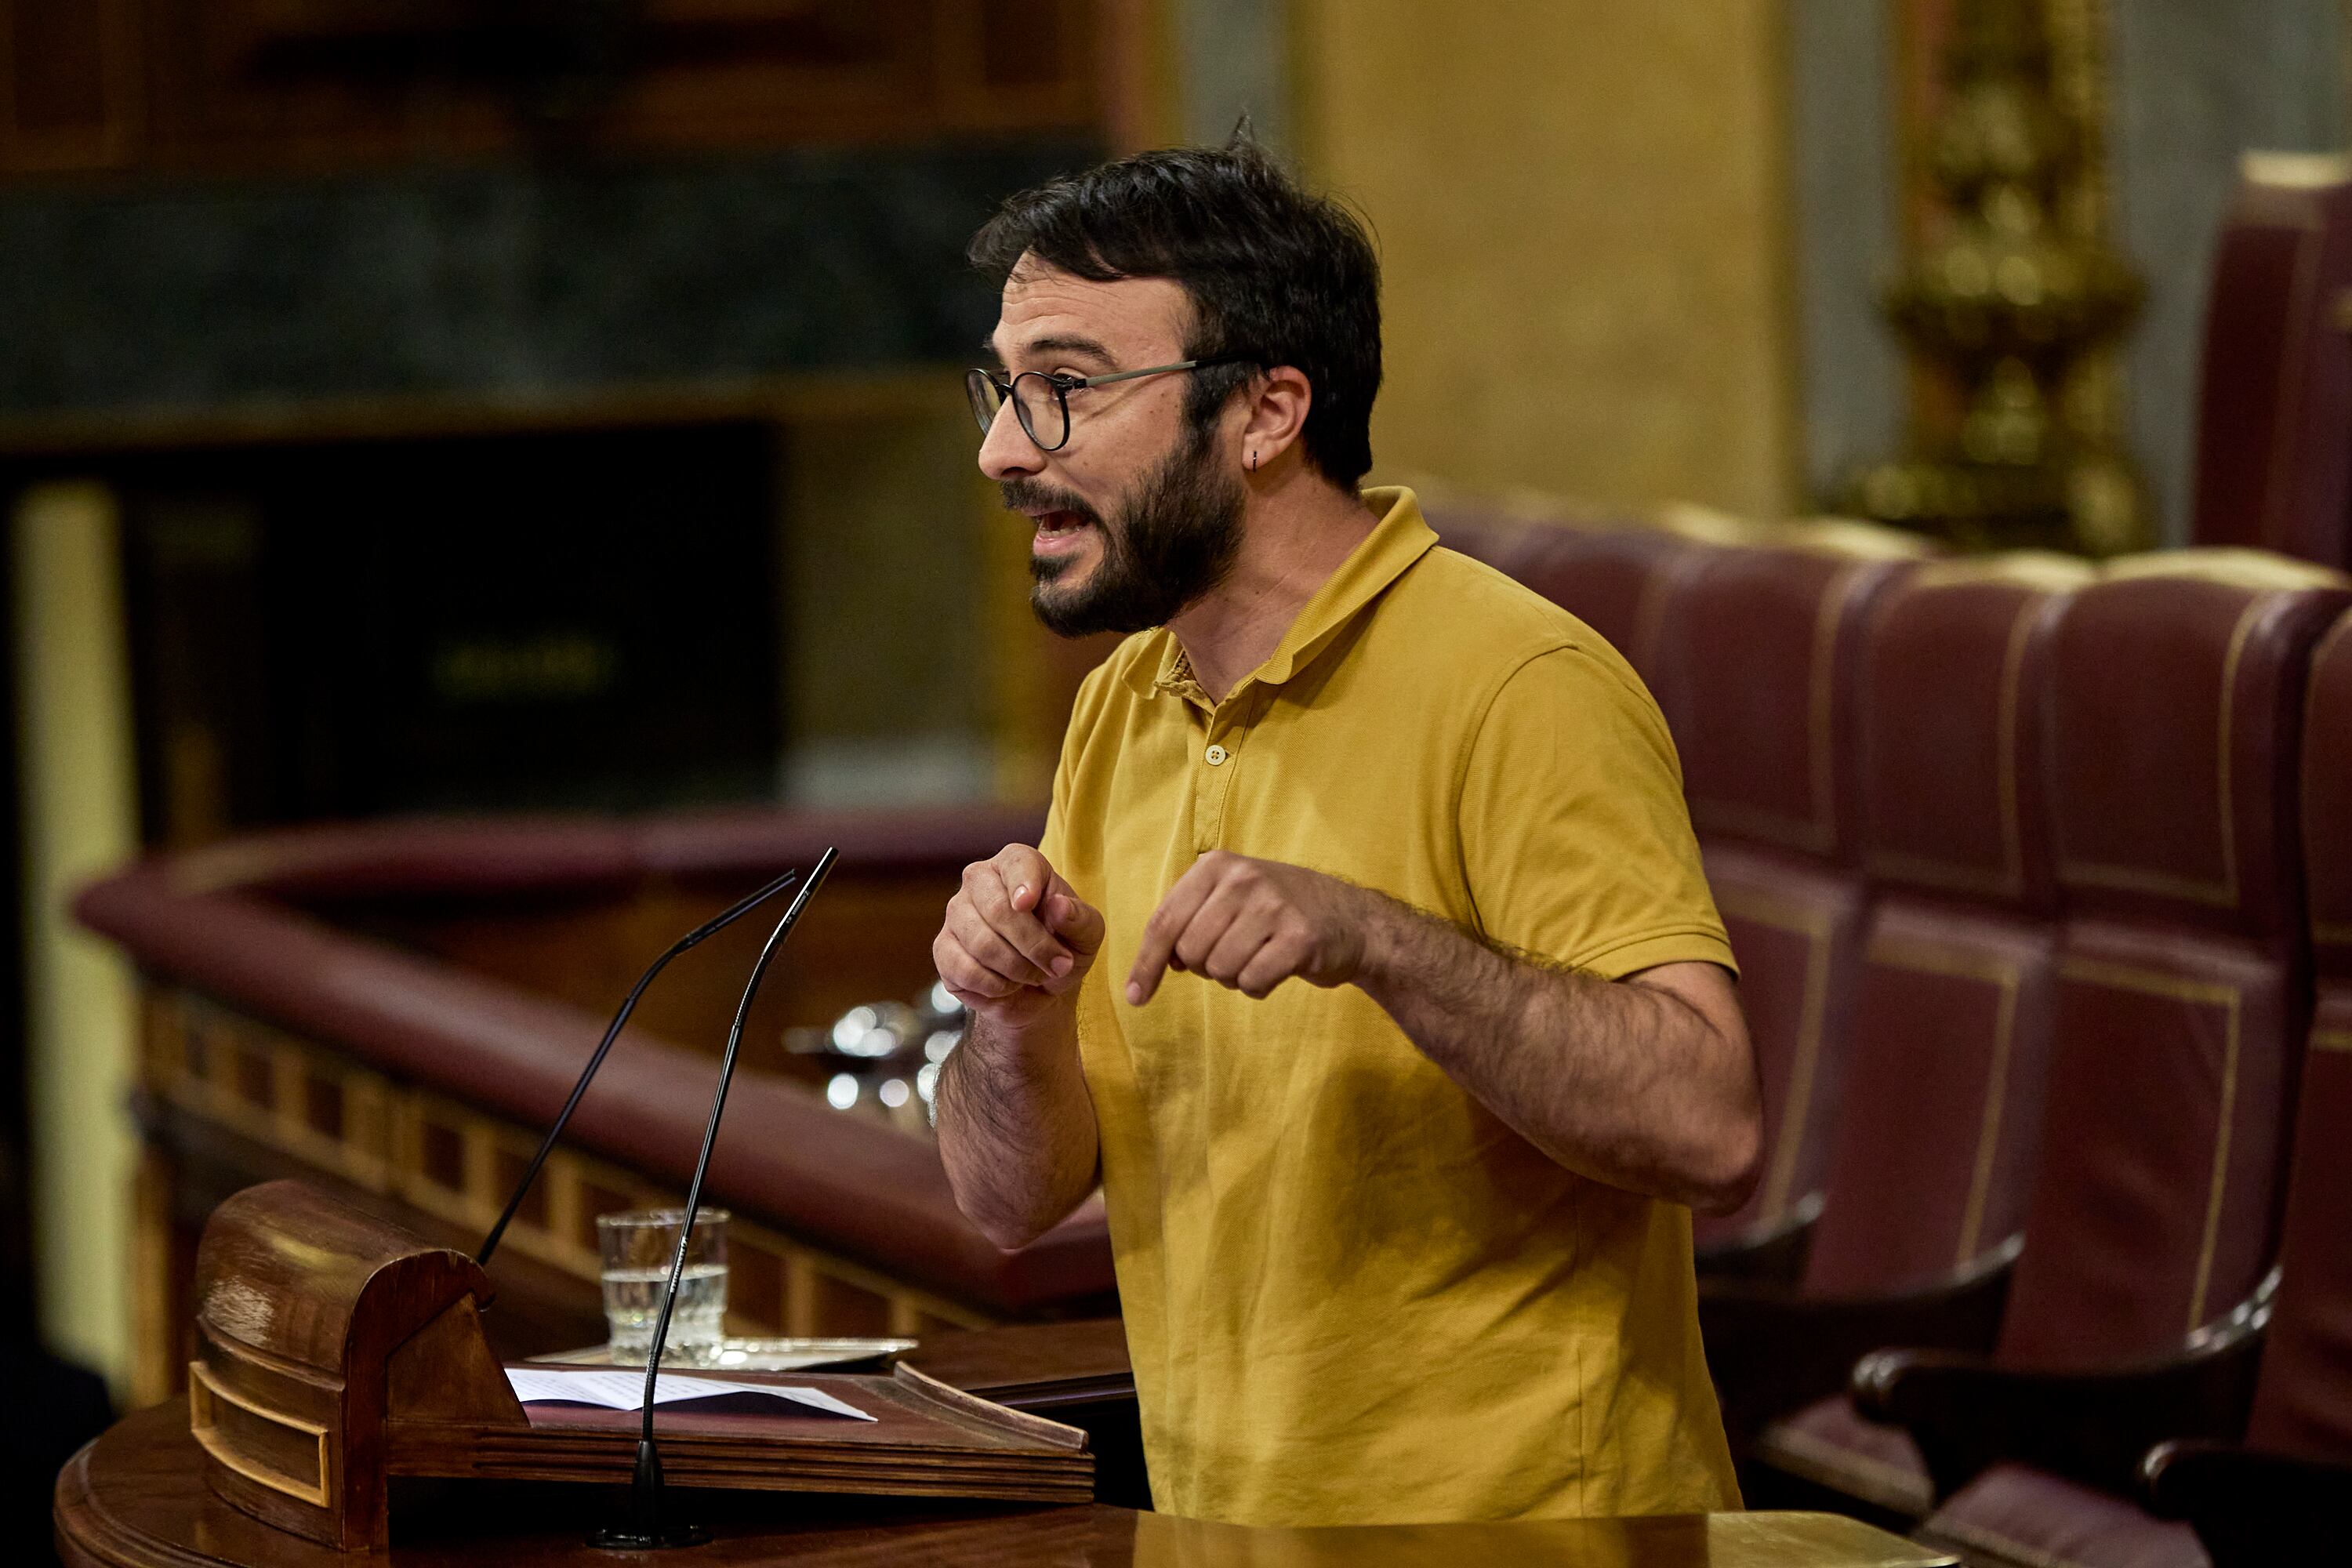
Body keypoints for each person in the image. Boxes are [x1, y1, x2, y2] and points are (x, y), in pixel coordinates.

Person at [930, 140, 1762, 1529]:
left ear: (1267, 413)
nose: (1002, 449)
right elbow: (1008, 1201)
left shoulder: (1518, 681)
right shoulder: (1125, 704)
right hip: (1229, 1531)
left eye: (1065, 390)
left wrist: (1376, 938)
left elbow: (1710, 1125)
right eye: (1007, 390)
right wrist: (1012, 1019)